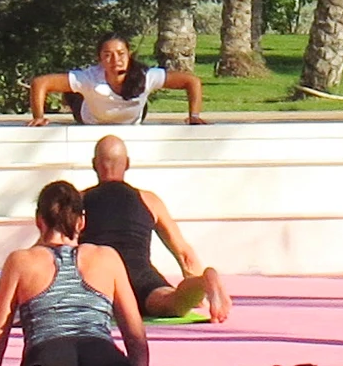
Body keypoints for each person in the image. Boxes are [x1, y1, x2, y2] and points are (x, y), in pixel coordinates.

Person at [0, 179, 192, 366]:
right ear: (81, 222)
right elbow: (134, 334)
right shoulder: (107, 257)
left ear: (39, 221)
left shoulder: (21, 261)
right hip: (99, 349)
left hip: (48, 352)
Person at [76, 134, 230, 324]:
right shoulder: (149, 200)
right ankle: (203, 282)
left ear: (94, 164)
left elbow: (55, 245)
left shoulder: (77, 201)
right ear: (127, 164)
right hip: (141, 276)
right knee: (171, 303)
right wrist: (196, 296)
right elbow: (184, 254)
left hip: (100, 280)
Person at [28, 33, 205, 128]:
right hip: (90, 116)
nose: (115, 60)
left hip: (132, 116)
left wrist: (194, 116)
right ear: (99, 58)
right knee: (74, 94)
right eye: (108, 55)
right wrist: (39, 117)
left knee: (136, 95)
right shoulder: (89, 78)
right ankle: (74, 96)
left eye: (121, 54)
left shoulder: (146, 75)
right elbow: (40, 83)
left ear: (129, 54)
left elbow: (192, 81)